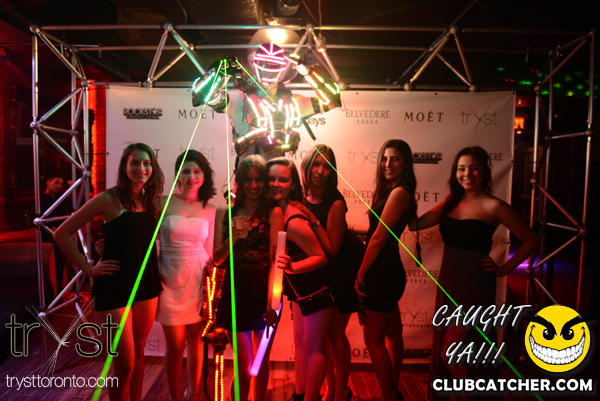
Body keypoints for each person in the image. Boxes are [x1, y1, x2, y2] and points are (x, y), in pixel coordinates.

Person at [409, 146, 539, 400]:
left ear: (484, 172)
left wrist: (503, 269)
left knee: (451, 352)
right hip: (450, 279)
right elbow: (416, 224)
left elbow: (531, 240)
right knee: (459, 351)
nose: (467, 174)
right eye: (461, 169)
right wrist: (402, 195)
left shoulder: (494, 206)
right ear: (455, 172)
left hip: (475, 282)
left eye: (474, 168)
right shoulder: (451, 202)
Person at [54, 143, 164, 401]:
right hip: (114, 284)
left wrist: (107, 242)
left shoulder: (150, 200)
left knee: (139, 351)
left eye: (146, 163)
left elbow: (140, 238)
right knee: (124, 362)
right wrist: (87, 268)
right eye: (135, 163)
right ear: (125, 167)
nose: (141, 168)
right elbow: (61, 233)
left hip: (146, 283)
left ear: (152, 167)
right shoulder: (108, 198)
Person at [191, 43, 341, 163]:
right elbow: (202, 96)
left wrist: (309, 72)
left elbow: (332, 100)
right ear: (256, 66)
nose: (269, 73)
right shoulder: (241, 99)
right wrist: (218, 73)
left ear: (281, 69)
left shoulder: (290, 102)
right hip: (249, 179)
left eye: (273, 68)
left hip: (279, 180)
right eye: (265, 68)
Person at [212, 155, 283, 401]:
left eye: (259, 180)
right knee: (244, 367)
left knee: (261, 363)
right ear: (239, 181)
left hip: (264, 297)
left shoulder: (273, 213)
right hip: (235, 296)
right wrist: (232, 239)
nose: (253, 185)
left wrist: (271, 303)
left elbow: (275, 261)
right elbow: (216, 259)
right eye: (248, 180)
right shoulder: (225, 212)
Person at [353, 140, 417, 401]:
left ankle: (389, 396)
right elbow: (377, 233)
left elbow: (379, 238)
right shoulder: (392, 190)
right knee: (392, 334)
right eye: (384, 158)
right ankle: (393, 391)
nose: (388, 164)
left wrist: (360, 273)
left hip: (382, 272)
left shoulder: (399, 192)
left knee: (373, 340)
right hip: (388, 270)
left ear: (406, 163)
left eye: (395, 159)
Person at [292, 145, 357, 401]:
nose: (320, 171)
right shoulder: (300, 196)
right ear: (306, 166)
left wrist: (311, 217)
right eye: (316, 164)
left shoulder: (336, 202)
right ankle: (329, 389)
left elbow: (332, 249)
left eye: (326, 166)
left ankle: (340, 391)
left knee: (333, 335)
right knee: (314, 340)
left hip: (335, 277)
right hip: (310, 278)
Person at [155, 150, 216, 401]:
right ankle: (174, 396)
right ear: (178, 174)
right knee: (174, 345)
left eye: (196, 171)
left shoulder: (211, 209)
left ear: (204, 175)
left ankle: (193, 392)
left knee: (196, 340)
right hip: (167, 277)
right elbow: (143, 239)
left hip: (198, 279)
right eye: (186, 171)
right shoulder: (161, 202)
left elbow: (211, 251)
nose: (191, 176)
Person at [267, 157, 330, 401]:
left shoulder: (293, 220)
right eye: (271, 178)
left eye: (282, 180)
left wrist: (292, 267)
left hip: (316, 289)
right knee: (301, 343)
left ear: (292, 184)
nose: (275, 184)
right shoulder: (279, 212)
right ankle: (300, 394)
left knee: (314, 348)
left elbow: (320, 257)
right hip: (299, 291)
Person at [40, 174, 72, 293]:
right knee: (56, 261)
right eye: (56, 183)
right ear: (48, 182)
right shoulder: (41, 199)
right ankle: (56, 291)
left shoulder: (59, 197)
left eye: (61, 184)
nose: (59, 186)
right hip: (48, 236)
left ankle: (61, 288)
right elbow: (41, 220)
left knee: (62, 260)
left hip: (60, 235)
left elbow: (74, 205)